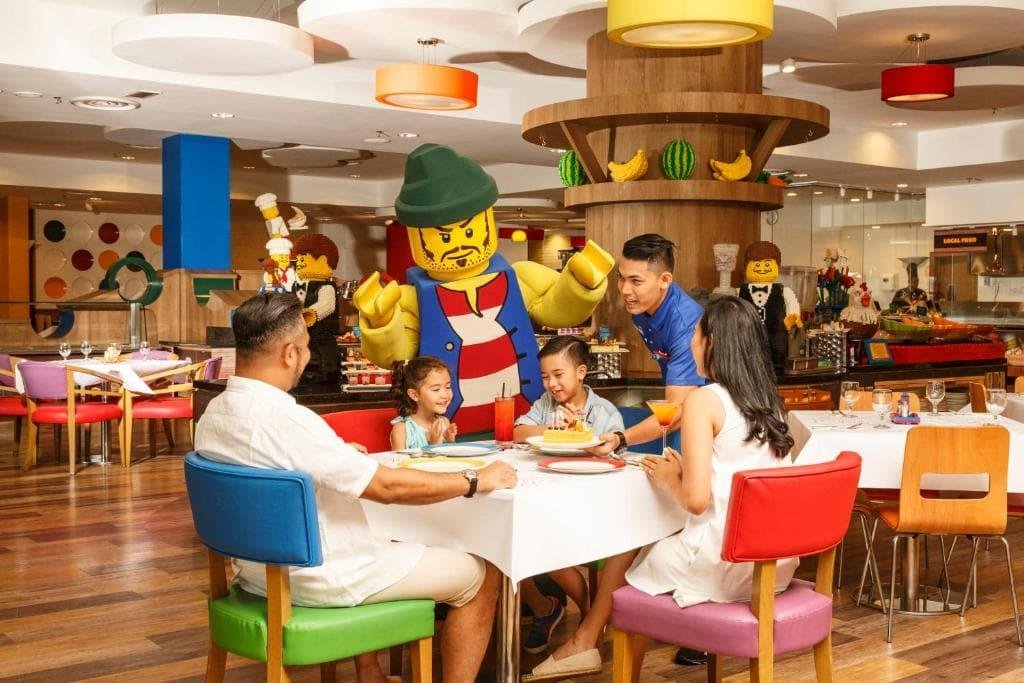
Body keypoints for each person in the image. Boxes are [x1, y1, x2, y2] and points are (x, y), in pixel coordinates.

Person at [195, 293, 517, 683]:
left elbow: (269, 459)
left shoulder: (214, 415)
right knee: (484, 572)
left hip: (255, 575)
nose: (308, 357)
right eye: (306, 348)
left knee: (383, 536)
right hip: (324, 578)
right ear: (289, 353)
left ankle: (371, 673)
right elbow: (386, 487)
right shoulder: (286, 419)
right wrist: (475, 480)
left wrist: (334, 452)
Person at [527, 296, 798, 681]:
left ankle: (587, 643)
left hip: (725, 566)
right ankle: (584, 642)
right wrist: (680, 466)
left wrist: (671, 479)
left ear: (712, 343)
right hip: (774, 565)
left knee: (632, 555)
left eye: (696, 335)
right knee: (643, 538)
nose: (690, 344)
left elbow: (697, 501)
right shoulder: (768, 401)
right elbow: (741, 471)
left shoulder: (705, 400)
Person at [512, 335, 625, 654]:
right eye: (545, 376)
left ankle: (589, 615)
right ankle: (590, 613)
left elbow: (615, 458)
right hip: (549, 499)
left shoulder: (603, 411)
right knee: (520, 537)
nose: (551, 384)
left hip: (593, 505)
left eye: (558, 375)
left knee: (537, 540)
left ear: (581, 372)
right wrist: (555, 429)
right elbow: (518, 432)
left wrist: (581, 431)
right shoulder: (545, 405)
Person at [589, 234, 702, 464]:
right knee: (612, 418)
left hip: (709, 416)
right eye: (621, 278)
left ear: (665, 280)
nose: (625, 290)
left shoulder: (685, 324)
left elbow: (676, 413)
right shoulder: (642, 309)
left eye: (636, 281)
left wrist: (621, 439)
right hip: (683, 409)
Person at [390, 356, 459, 451]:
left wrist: (450, 442)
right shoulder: (402, 430)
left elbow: (450, 458)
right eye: (436, 389)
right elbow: (399, 461)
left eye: (448, 387)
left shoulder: (444, 422)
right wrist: (434, 445)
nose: (445, 395)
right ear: (415, 395)